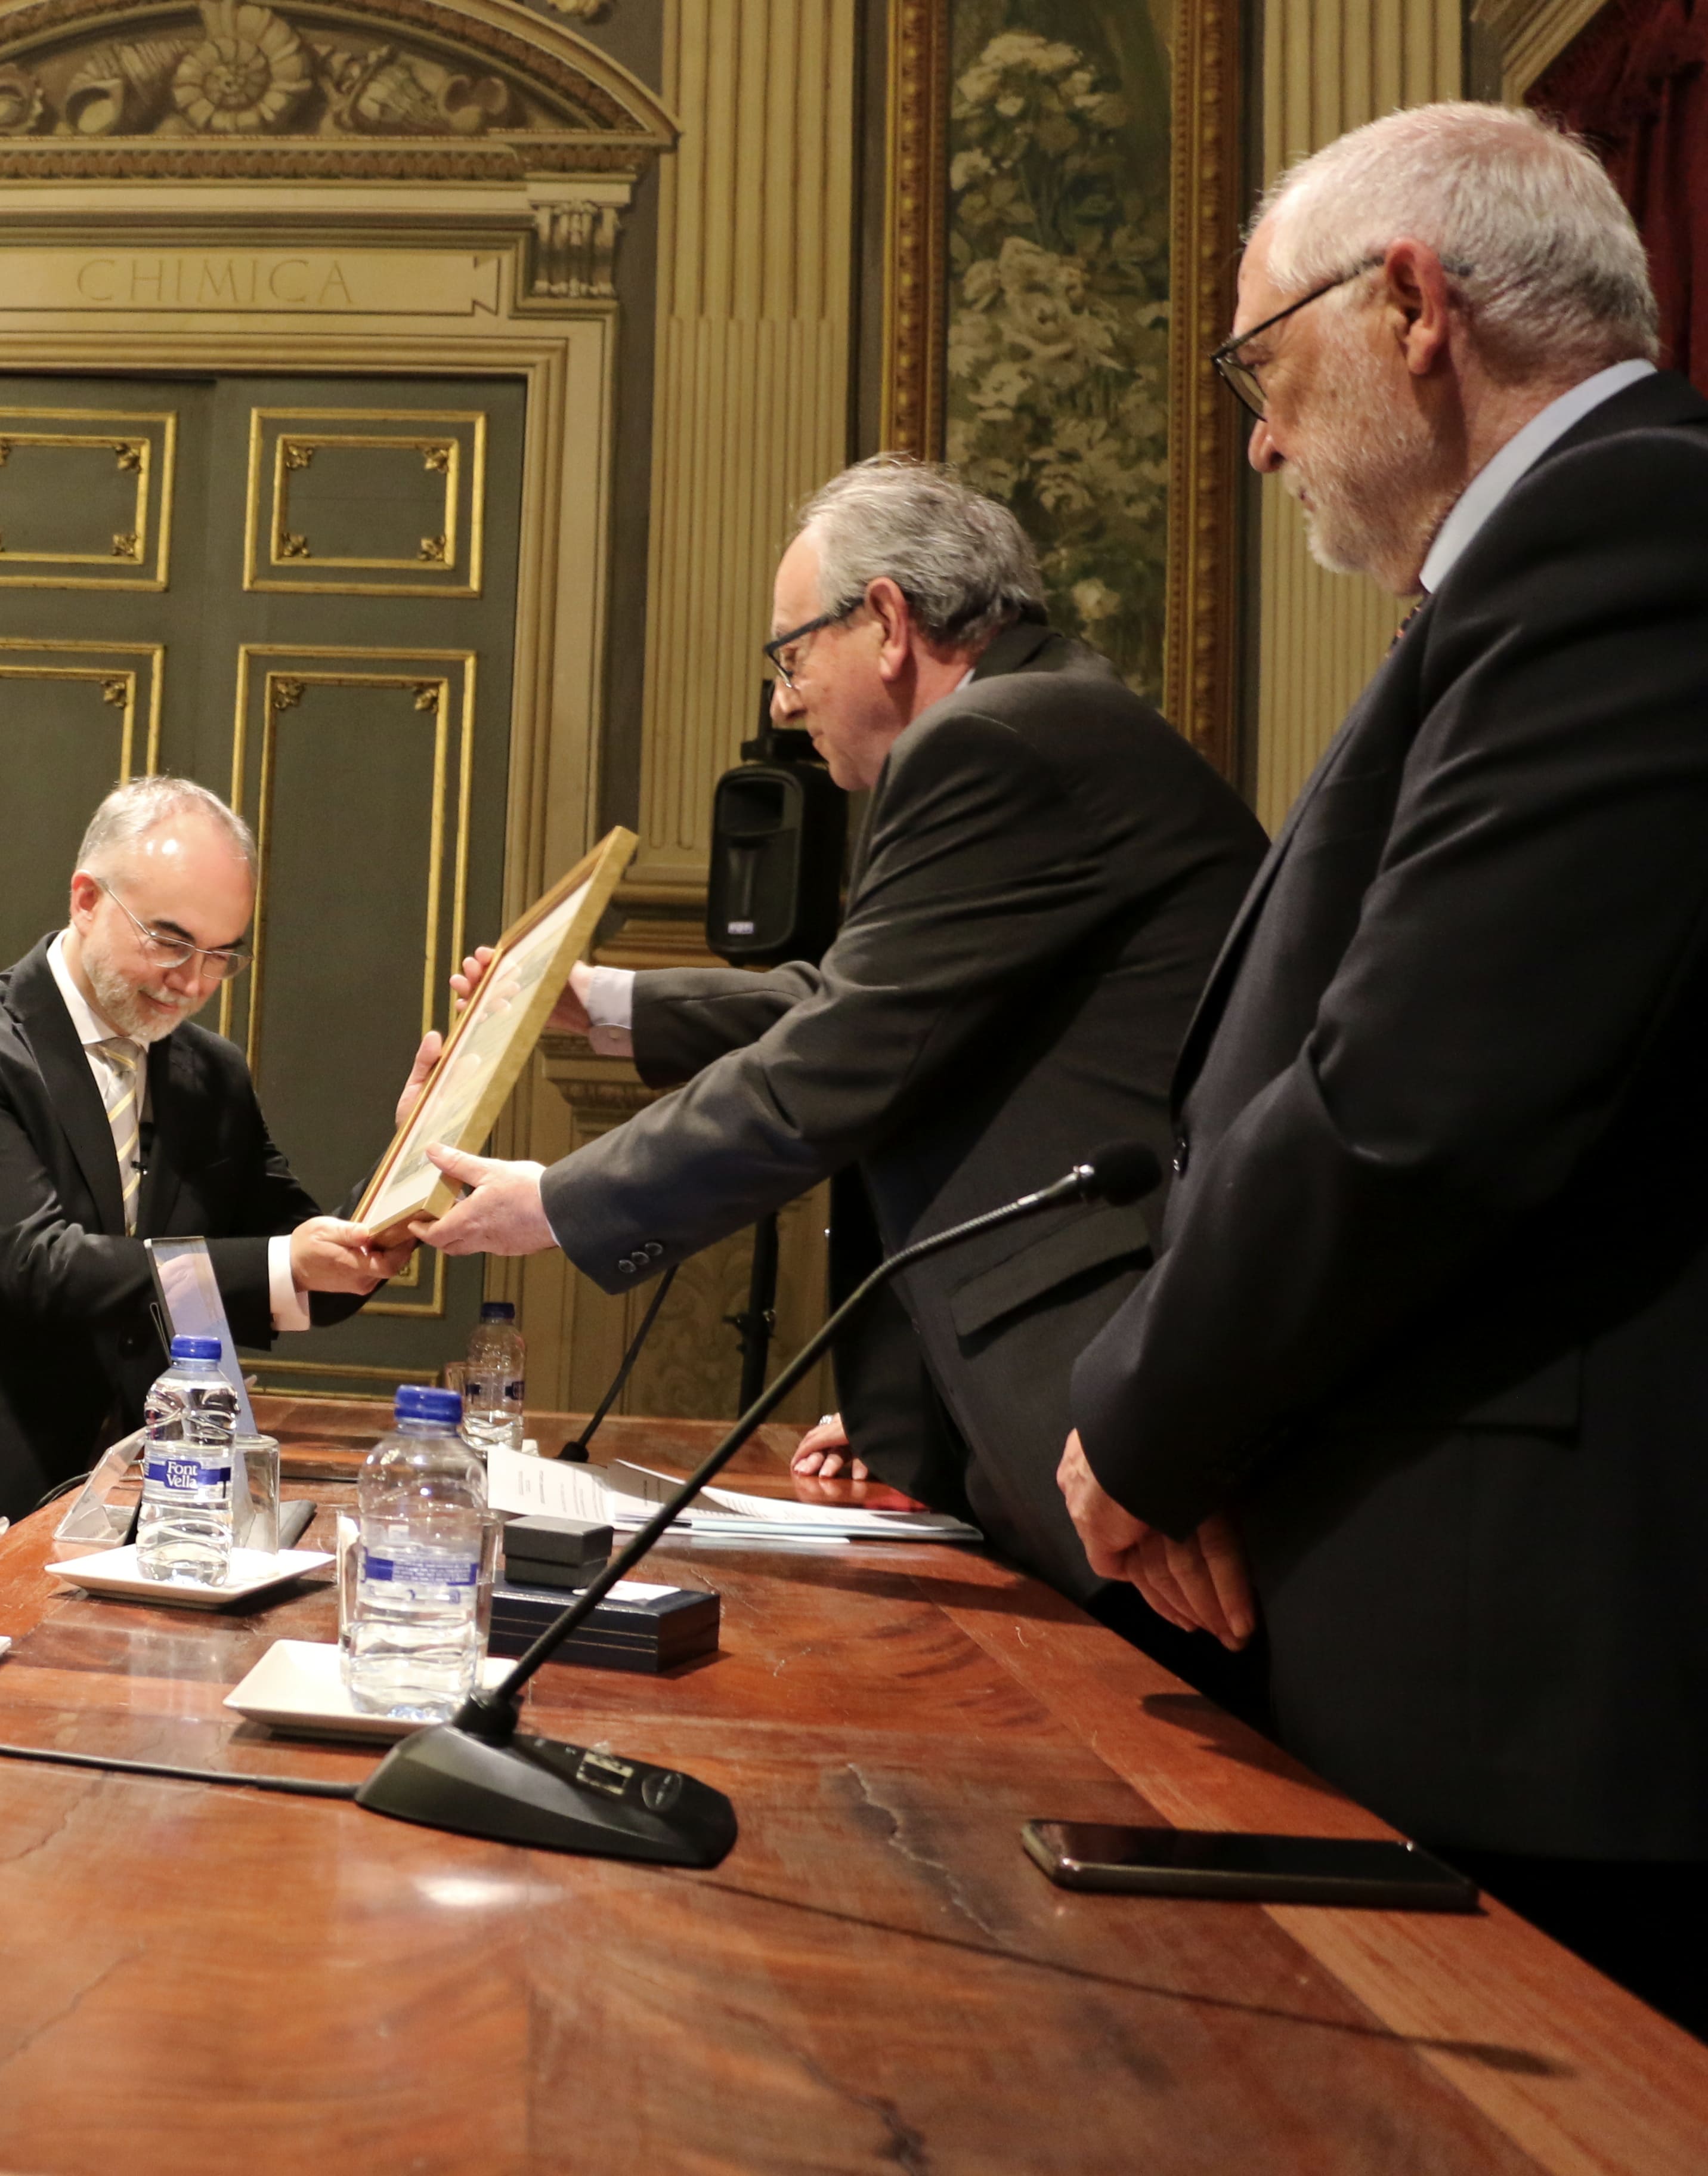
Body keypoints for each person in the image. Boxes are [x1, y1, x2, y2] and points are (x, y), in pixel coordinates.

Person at [1059, 104, 1708, 2035]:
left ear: (1412, 303)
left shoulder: (1639, 533)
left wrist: (1145, 1423)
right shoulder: (1555, 560)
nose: (1258, 440)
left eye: (1265, 368)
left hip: (1541, 1657)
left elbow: (1420, 1092)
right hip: (1442, 1602)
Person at [407, 457, 1265, 1678]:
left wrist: (555, 1206)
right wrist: (594, 1006)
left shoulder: (993, 744)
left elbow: (833, 1064)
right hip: (1046, 1411)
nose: (783, 704)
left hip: (1117, 1424)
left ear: (888, 622)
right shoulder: (1039, 719)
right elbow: (859, 1008)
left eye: (790, 655)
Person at [0, 777, 409, 1593]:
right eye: (170, 942)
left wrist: (408, 1159)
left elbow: (313, 1275)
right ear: (87, 900)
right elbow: (43, 1266)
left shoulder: (213, 1074)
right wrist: (285, 1262)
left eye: (223, 955)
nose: (193, 981)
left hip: (87, 1516)